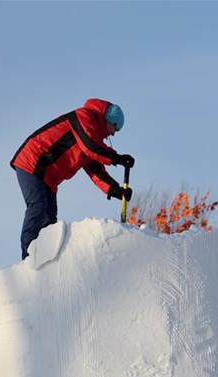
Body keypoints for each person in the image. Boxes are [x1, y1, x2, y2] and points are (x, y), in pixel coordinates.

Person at [10, 98, 136, 259]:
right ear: (107, 120)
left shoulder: (92, 137)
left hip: (49, 178)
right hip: (33, 162)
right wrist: (116, 158)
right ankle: (27, 257)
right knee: (38, 206)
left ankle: (45, 260)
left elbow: (95, 168)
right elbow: (90, 146)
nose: (113, 133)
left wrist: (114, 189)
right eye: (115, 127)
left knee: (49, 221)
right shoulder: (84, 117)